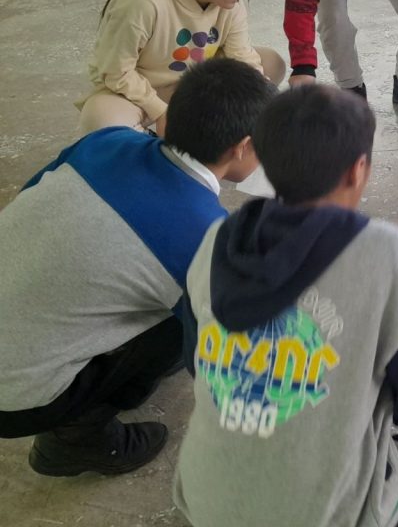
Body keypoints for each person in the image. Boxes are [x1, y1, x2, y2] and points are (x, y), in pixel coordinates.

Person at [174, 85, 398, 527]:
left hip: (202, 498)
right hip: (327, 516)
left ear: (263, 163)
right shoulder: (382, 250)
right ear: (358, 170)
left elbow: (196, 362)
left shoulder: (215, 242)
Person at [0, 59, 276, 477]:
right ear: (242, 146)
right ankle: (76, 438)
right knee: (187, 324)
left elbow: (31, 195)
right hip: (14, 401)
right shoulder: (203, 236)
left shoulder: (107, 140)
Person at [78, 0, 286, 135]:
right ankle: (153, 139)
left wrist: (264, 100)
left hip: (195, 84)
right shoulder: (142, 0)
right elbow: (115, 71)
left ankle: (200, 122)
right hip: (145, 89)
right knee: (101, 119)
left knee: (271, 64)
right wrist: (160, 112)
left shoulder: (229, 1)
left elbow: (241, 56)